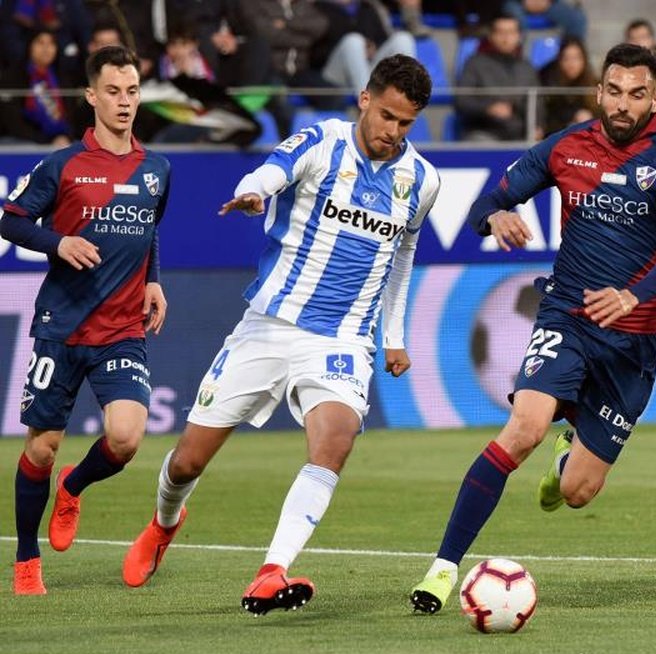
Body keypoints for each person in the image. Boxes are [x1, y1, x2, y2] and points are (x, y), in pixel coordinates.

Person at [121, 54, 439, 616]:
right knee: (189, 461)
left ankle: (273, 570)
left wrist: (393, 335)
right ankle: (164, 523)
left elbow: (404, 254)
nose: (393, 132)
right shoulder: (321, 141)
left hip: (341, 341)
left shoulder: (423, 180)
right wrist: (255, 193)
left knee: (335, 440)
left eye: (406, 123)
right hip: (268, 327)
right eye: (387, 115)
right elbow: (270, 171)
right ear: (365, 99)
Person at [409, 43, 656, 614]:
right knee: (521, 429)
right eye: (614, 91)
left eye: (637, 94)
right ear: (598, 92)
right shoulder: (567, 147)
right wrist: (496, 214)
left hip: (634, 339)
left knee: (577, 493)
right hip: (566, 315)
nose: (623, 104)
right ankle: (442, 570)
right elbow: (489, 201)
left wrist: (630, 294)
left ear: (655, 99)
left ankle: (570, 449)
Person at [0, 45, 170, 596]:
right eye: (114, 92)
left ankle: (73, 488)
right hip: (61, 325)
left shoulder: (157, 169)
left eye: (133, 91)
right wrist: (59, 241)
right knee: (40, 448)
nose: (125, 102)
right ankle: (27, 560)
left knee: (125, 439)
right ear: (92, 97)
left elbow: (148, 230)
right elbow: (12, 221)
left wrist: (153, 279)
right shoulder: (63, 166)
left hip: (122, 327)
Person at [454, 12, 540, 141]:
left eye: (511, 32)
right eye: (501, 32)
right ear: (491, 35)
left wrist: (538, 125)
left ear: (519, 36)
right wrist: (488, 108)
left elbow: (537, 102)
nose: (506, 38)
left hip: (520, 134)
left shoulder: (526, 67)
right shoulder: (474, 63)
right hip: (483, 131)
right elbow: (462, 101)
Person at [538, 36, 599, 137]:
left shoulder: (594, 86)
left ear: (584, 60)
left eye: (576, 58)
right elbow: (547, 123)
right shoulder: (549, 87)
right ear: (559, 61)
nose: (571, 64)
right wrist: (571, 123)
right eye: (566, 58)